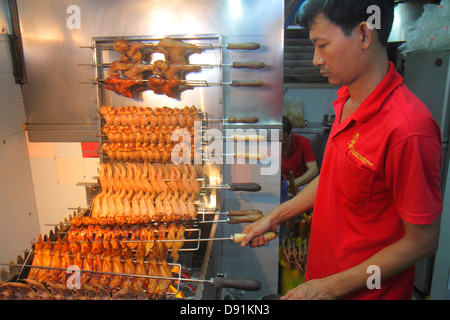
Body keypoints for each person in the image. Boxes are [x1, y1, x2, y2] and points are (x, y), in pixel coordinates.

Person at [241, 0, 442, 300]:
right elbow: (335, 179)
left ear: (363, 34)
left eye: (322, 45)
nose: (315, 59)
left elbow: (423, 242)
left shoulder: (408, 129)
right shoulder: (347, 100)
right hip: (320, 283)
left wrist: (330, 287)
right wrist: (275, 217)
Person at [282, 116, 319, 192]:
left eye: (284, 138)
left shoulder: (303, 142)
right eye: (278, 138)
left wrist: (295, 182)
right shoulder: (272, 145)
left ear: (289, 133)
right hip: (281, 185)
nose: (281, 141)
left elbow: (314, 170)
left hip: (301, 184)